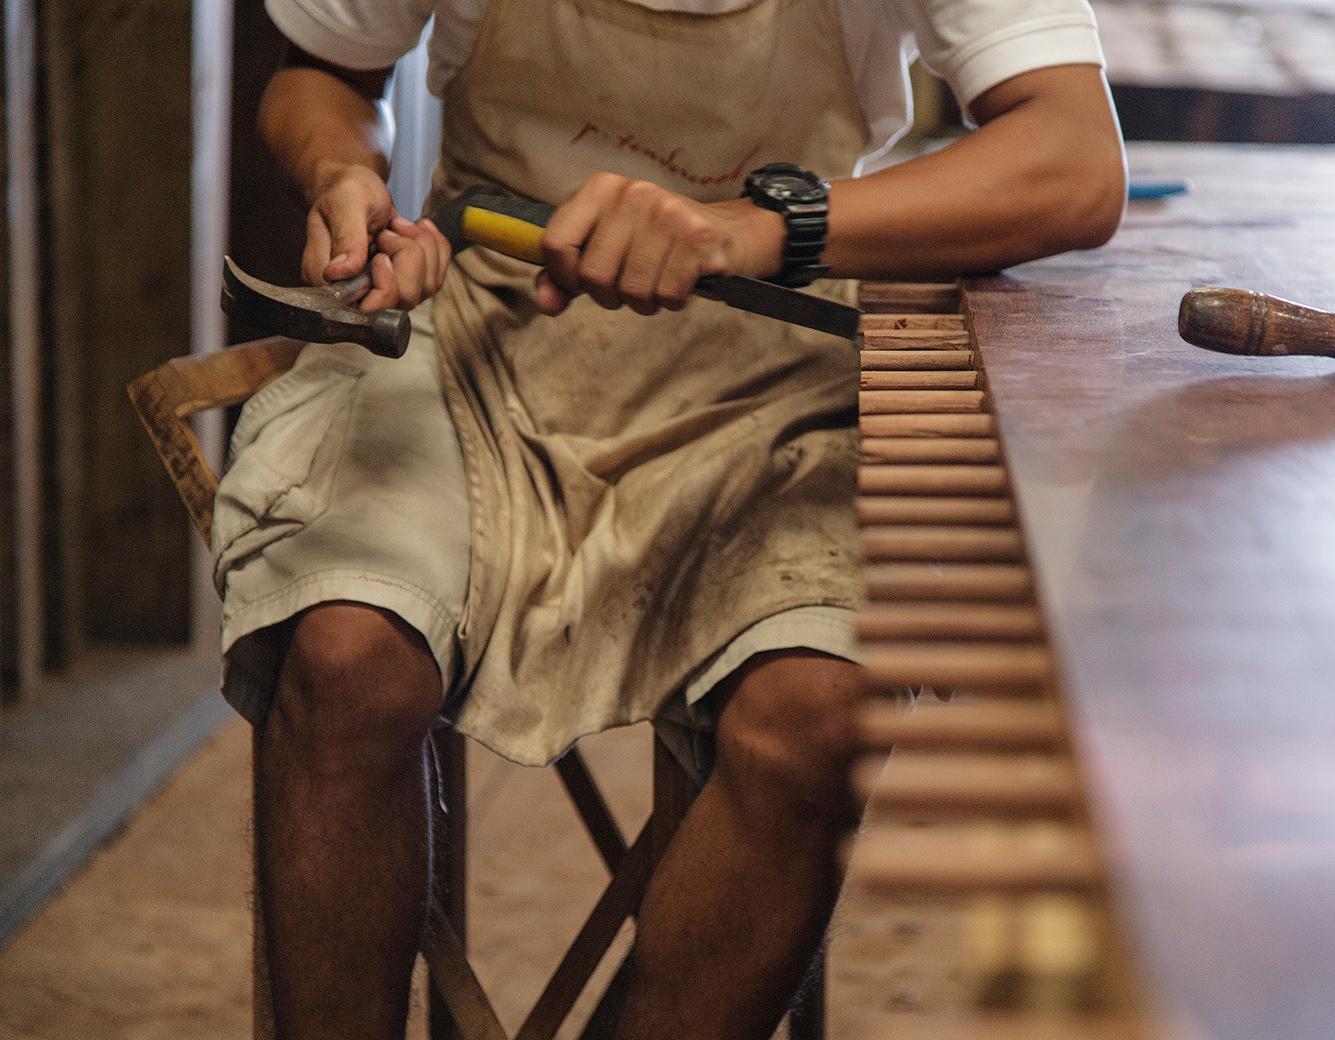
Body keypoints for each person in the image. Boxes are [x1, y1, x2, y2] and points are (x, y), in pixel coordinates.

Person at [218, 0, 1124, 1035]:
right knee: (346, 650)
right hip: (486, 337)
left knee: (817, 708)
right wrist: (345, 174)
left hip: (772, 359)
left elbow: (1075, 158)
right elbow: (322, 74)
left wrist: (765, 225)